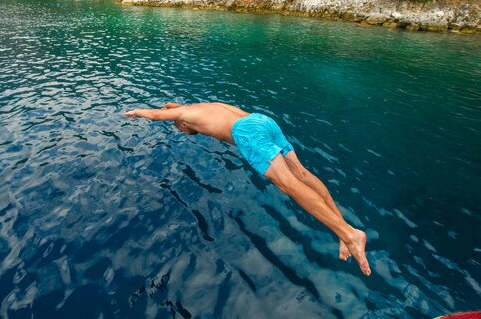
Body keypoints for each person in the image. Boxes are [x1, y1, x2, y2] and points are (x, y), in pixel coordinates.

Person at [124, 102, 371, 276]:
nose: (184, 131)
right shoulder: (201, 106)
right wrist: (172, 108)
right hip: (262, 120)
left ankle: (350, 234)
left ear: (180, 122)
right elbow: (173, 107)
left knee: (288, 184)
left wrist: (137, 112)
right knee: (302, 175)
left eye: (181, 128)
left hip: (247, 132)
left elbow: (157, 115)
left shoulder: (184, 116)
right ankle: (342, 232)